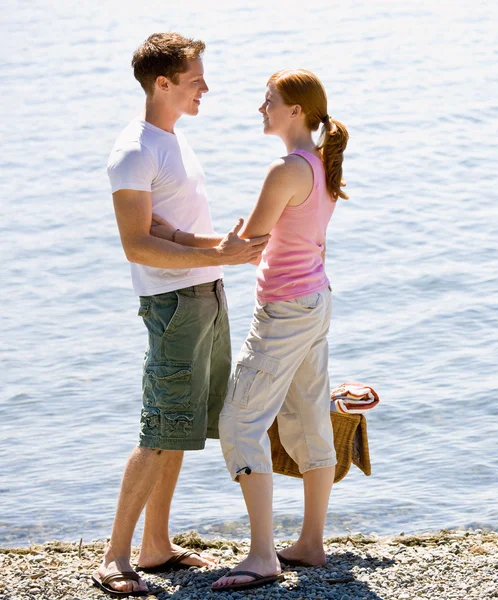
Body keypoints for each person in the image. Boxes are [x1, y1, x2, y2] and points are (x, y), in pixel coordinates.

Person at [154, 68, 349, 593]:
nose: (260, 109)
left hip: (286, 311)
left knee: (241, 422)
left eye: (268, 102)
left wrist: (173, 236)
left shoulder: (286, 169)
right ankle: (310, 542)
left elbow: (250, 246)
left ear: (297, 112)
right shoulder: (320, 162)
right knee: (309, 417)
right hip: (315, 300)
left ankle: (263, 555)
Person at [93, 33, 269, 597]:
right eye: (196, 79)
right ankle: (114, 558)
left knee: (183, 428)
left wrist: (224, 250)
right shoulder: (135, 149)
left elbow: (170, 228)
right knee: (158, 429)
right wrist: (212, 255)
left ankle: (155, 547)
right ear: (162, 83)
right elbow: (136, 243)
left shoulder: (173, 140)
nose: (206, 88)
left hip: (205, 295)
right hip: (172, 306)